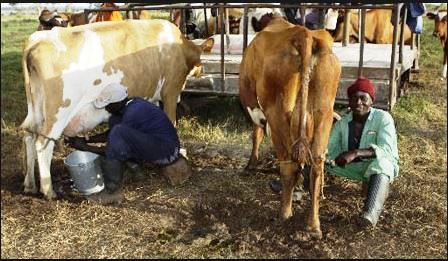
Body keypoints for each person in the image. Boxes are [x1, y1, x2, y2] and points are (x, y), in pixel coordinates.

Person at [270, 77, 399, 228]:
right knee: (318, 156)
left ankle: (369, 214)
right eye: (354, 98)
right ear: (349, 102)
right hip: (352, 168)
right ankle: (297, 185)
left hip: (376, 166)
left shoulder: (383, 118)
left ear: (371, 100)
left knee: (382, 164)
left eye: (363, 98)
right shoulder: (343, 123)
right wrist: (320, 155)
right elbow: (328, 149)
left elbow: (387, 150)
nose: (359, 103)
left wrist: (355, 153)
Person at [66, 83, 193, 205]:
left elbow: (113, 147)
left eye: (107, 105)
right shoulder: (128, 106)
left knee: (118, 134)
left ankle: (112, 191)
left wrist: (85, 147)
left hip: (167, 152)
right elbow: (110, 135)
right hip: (160, 146)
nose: (106, 108)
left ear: (116, 103)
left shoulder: (134, 112)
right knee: (116, 127)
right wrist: (86, 140)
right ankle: (137, 171)